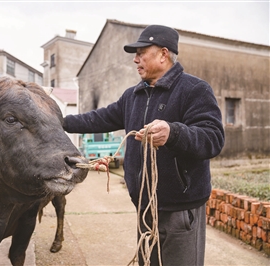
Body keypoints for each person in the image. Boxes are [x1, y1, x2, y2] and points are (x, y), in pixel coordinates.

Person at [63, 25, 225, 265]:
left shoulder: (194, 90)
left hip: (180, 211)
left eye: (141, 53)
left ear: (163, 54)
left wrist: (173, 133)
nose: (135, 60)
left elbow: (213, 139)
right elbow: (99, 118)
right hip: (145, 208)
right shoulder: (133, 96)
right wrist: (59, 121)